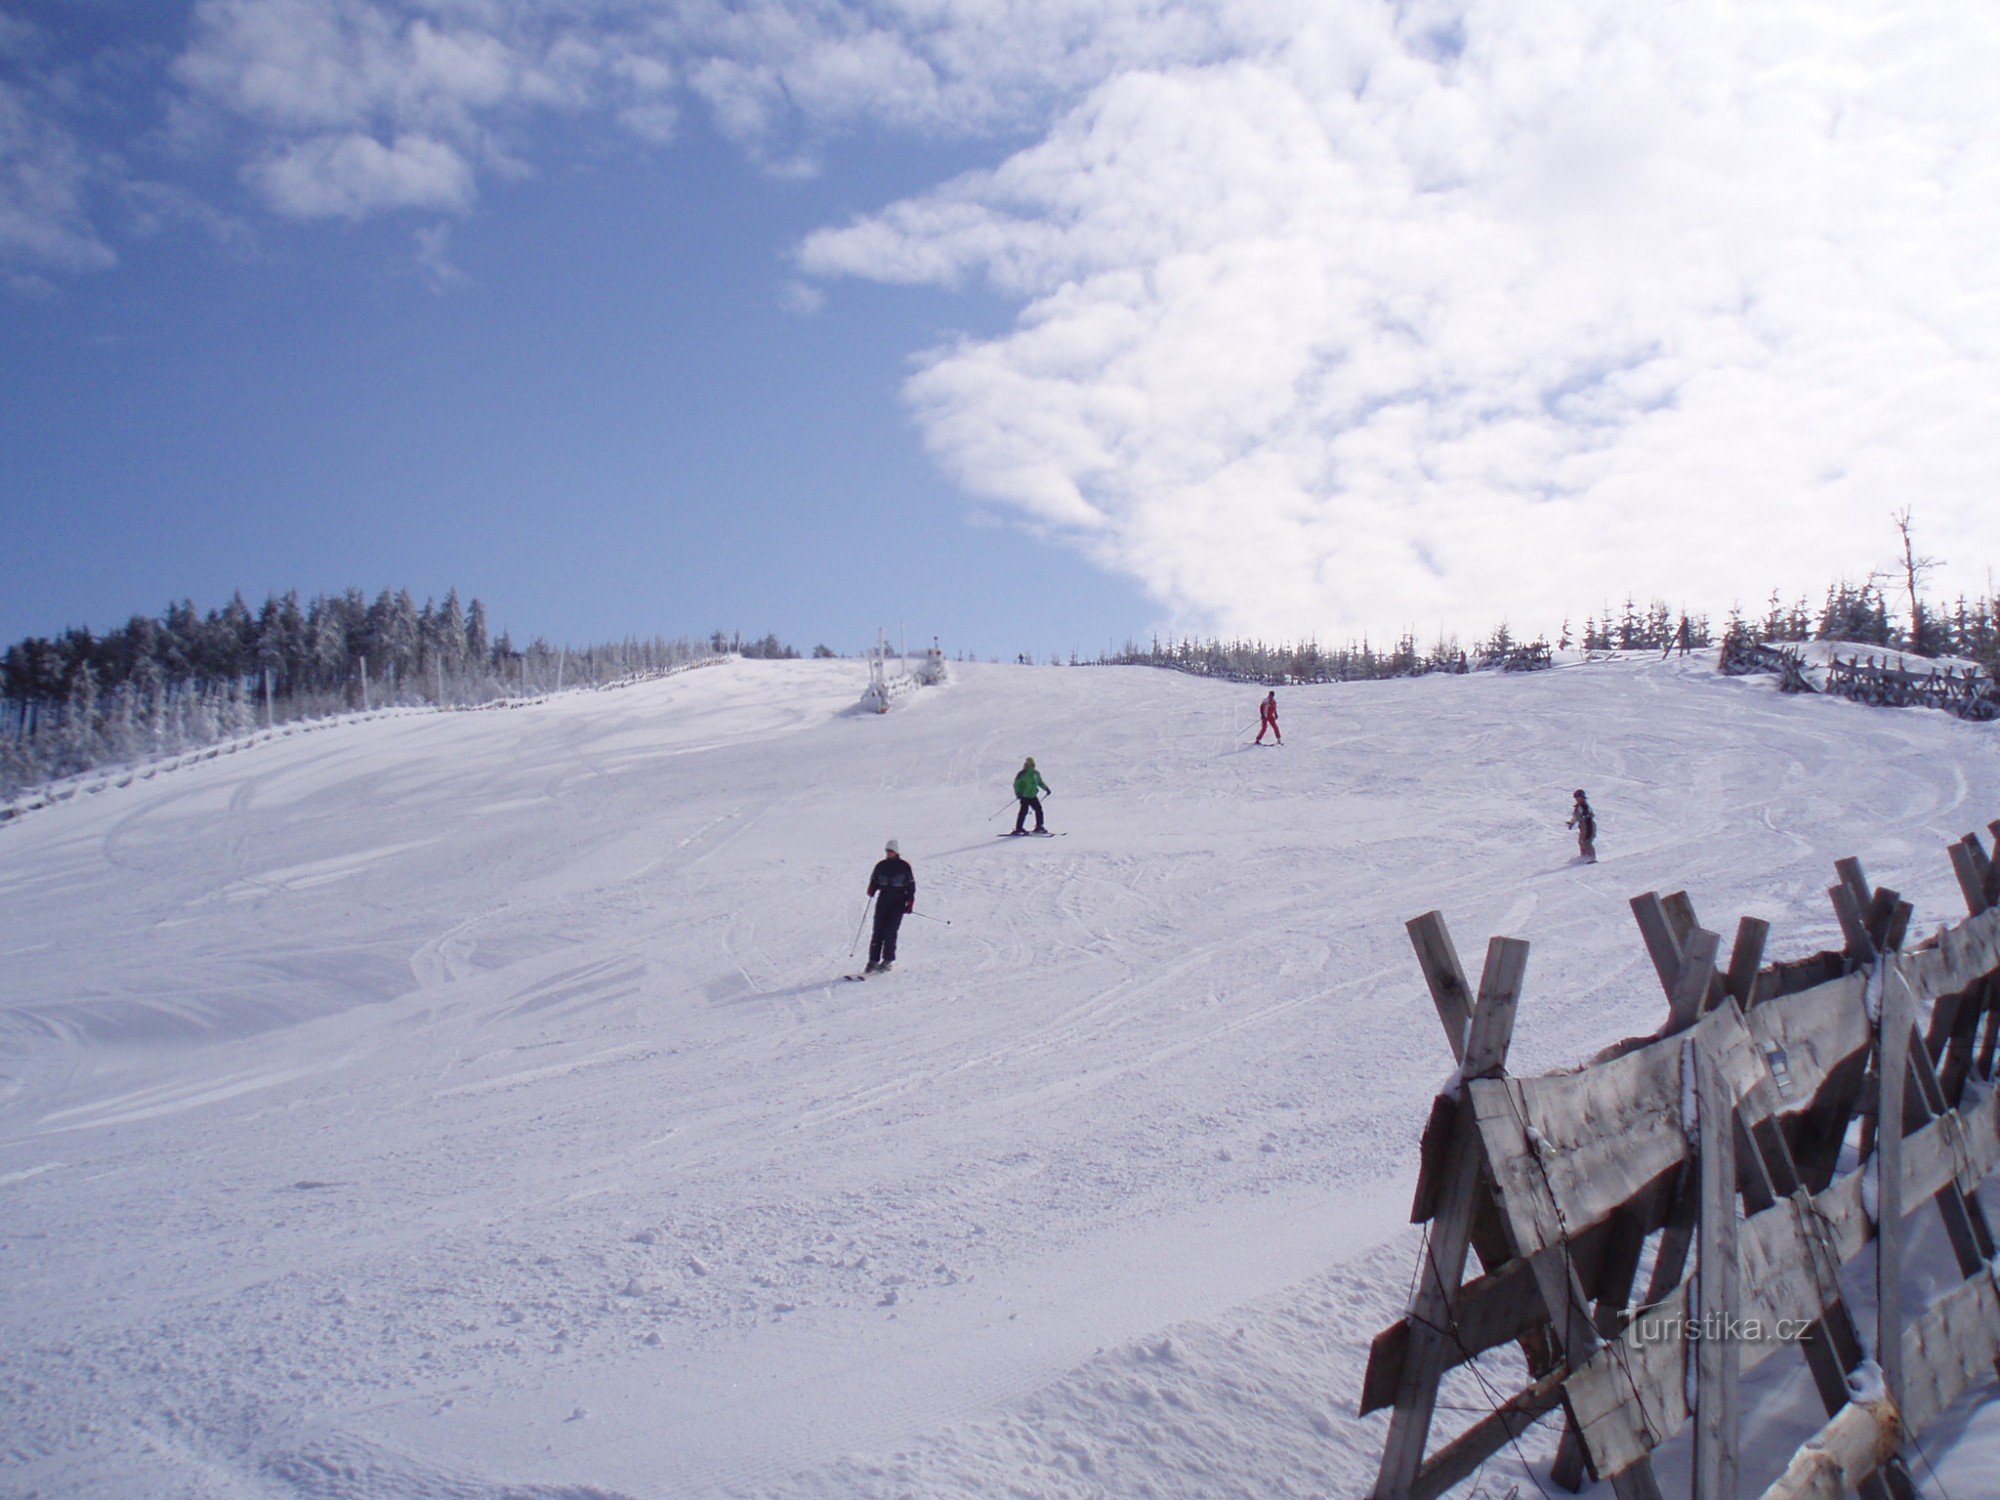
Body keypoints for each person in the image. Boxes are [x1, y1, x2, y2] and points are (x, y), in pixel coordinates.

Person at [865, 838, 916, 972]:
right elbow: (875, 880)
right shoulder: (881, 865)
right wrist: (872, 888)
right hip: (883, 900)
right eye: (887, 850)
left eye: (891, 850)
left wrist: (910, 902)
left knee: (890, 931)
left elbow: (910, 885)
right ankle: (873, 961)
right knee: (878, 931)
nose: (888, 853)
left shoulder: (904, 866)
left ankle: (887, 961)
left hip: (898, 901)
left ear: (896, 852)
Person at [1011, 757, 1051, 834]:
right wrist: (1018, 793)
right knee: (1023, 811)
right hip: (1024, 796)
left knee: (1038, 810)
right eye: (1031, 765)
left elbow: (1040, 782)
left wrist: (1046, 789)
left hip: (1033, 795)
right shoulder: (1022, 774)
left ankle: (1039, 826)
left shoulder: (1036, 773)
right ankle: (1019, 828)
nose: (1032, 766)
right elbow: (1017, 784)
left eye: (1033, 765)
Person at [1567, 789, 1597, 864]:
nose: (1577, 799)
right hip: (1583, 826)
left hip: (1588, 825)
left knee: (1587, 841)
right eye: (1576, 798)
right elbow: (1575, 816)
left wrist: (1585, 816)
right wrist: (1571, 823)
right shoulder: (1578, 807)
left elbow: (1589, 815)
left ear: (1582, 797)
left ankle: (1591, 858)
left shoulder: (1584, 806)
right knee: (1581, 841)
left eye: (1578, 797)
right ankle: (1584, 856)